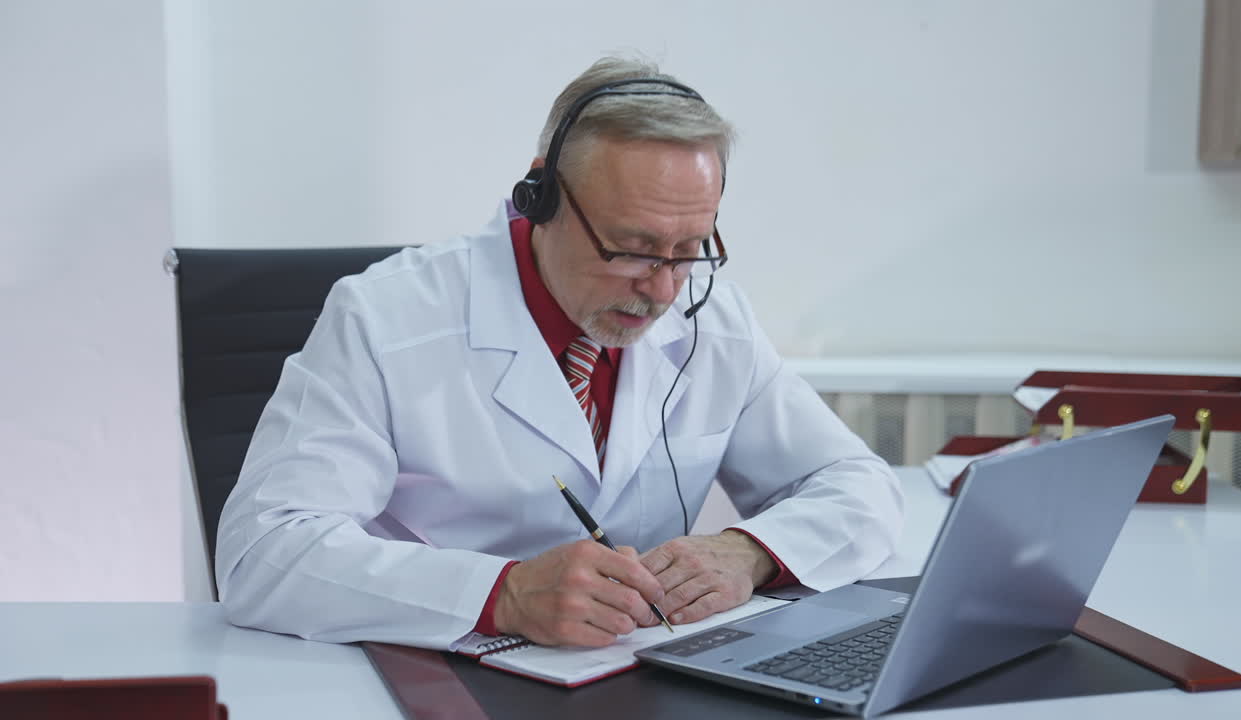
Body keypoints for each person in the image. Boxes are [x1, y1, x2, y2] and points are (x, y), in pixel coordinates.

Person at [216, 56, 904, 650]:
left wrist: (747, 550)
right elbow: (262, 556)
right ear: (540, 194)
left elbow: (861, 487)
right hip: (435, 672)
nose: (661, 288)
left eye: (689, 251)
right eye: (630, 249)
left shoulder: (711, 321)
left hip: (635, 675)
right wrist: (502, 593)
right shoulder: (386, 319)